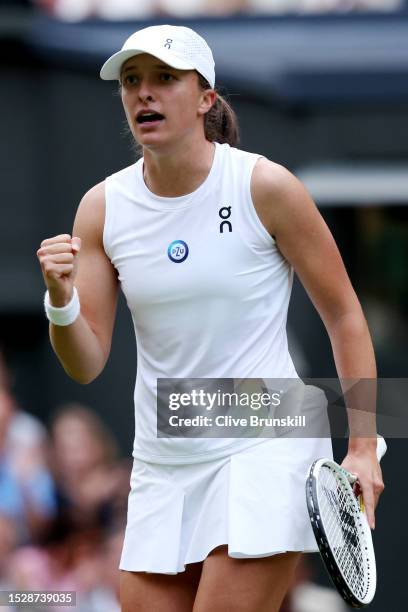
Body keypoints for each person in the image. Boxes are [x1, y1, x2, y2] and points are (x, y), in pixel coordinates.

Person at [36, 24, 385, 612]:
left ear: (206, 98)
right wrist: (59, 299)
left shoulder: (266, 186)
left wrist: (363, 445)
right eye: (131, 81)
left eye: (164, 79)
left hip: (268, 443)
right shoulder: (102, 208)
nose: (143, 93)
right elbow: (85, 364)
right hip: (163, 458)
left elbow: (346, 314)